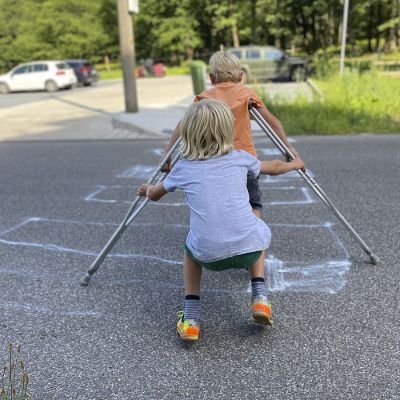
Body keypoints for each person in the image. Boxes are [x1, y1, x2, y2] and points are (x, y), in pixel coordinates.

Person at [138, 99, 304, 341]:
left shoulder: (182, 167)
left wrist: (146, 189)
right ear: (227, 130)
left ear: (188, 134)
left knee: (189, 250)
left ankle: (191, 317)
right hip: (248, 251)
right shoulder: (241, 157)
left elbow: (154, 195)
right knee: (254, 229)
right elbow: (276, 167)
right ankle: (260, 297)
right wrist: (295, 163)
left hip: (207, 256)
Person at [160, 50, 304, 218]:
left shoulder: (205, 98)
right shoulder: (246, 94)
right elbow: (273, 123)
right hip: (245, 160)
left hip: (213, 162)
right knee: (252, 203)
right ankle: (250, 233)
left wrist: (167, 152)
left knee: (219, 201)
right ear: (241, 76)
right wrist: (288, 148)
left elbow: (183, 126)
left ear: (212, 78)